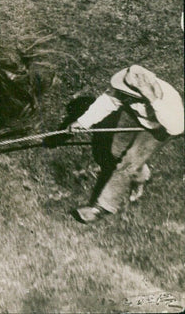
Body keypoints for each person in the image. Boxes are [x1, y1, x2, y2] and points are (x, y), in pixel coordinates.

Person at [69, 65, 183, 223]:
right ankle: (141, 176)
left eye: (129, 95)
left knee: (128, 163)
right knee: (116, 151)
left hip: (160, 128)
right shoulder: (126, 85)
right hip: (134, 115)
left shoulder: (170, 100)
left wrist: (152, 99)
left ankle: (101, 208)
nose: (123, 94)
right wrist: (82, 122)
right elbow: (107, 101)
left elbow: (176, 127)